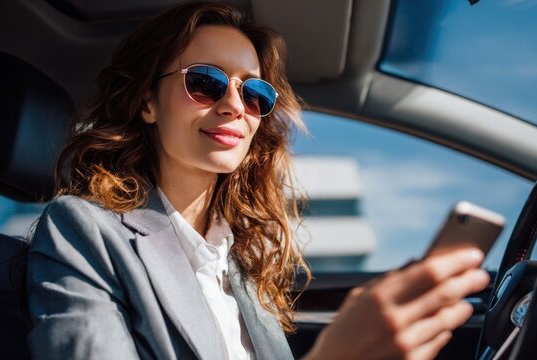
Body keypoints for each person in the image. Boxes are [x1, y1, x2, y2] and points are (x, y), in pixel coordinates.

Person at [26, 1, 490, 359]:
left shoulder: (244, 262)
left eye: (253, 92)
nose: (233, 105)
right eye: (205, 82)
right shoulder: (82, 230)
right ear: (148, 103)